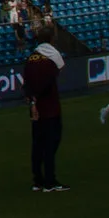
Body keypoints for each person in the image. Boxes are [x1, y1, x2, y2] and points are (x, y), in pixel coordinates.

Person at [24, 38, 66, 192]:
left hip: (35, 110)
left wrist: (32, 102)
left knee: (37, 144)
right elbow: (51, 80)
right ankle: (50, 181)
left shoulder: (30, 60)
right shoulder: (49, 62)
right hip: (50, 108)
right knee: (51, 143)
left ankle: (38, 180)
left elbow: (26, 84)